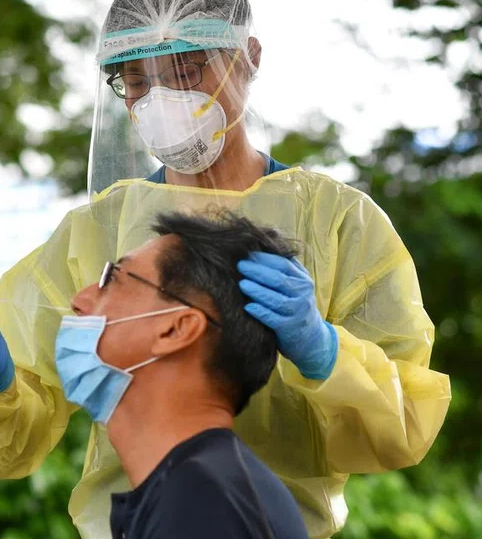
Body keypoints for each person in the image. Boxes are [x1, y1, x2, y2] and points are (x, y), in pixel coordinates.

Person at [0, 0, 451, 539]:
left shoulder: (338, 223)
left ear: (248, 57)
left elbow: (403, 426)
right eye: (137, 82)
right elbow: (2, 438)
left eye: (185, 70)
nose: (160, 99)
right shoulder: (99, 228)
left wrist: (325, 353)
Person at [60, 210, 309, 539]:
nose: (79, 299)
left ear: (176, 329)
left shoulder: (202, 504)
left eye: (113, 278)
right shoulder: (201, 490)